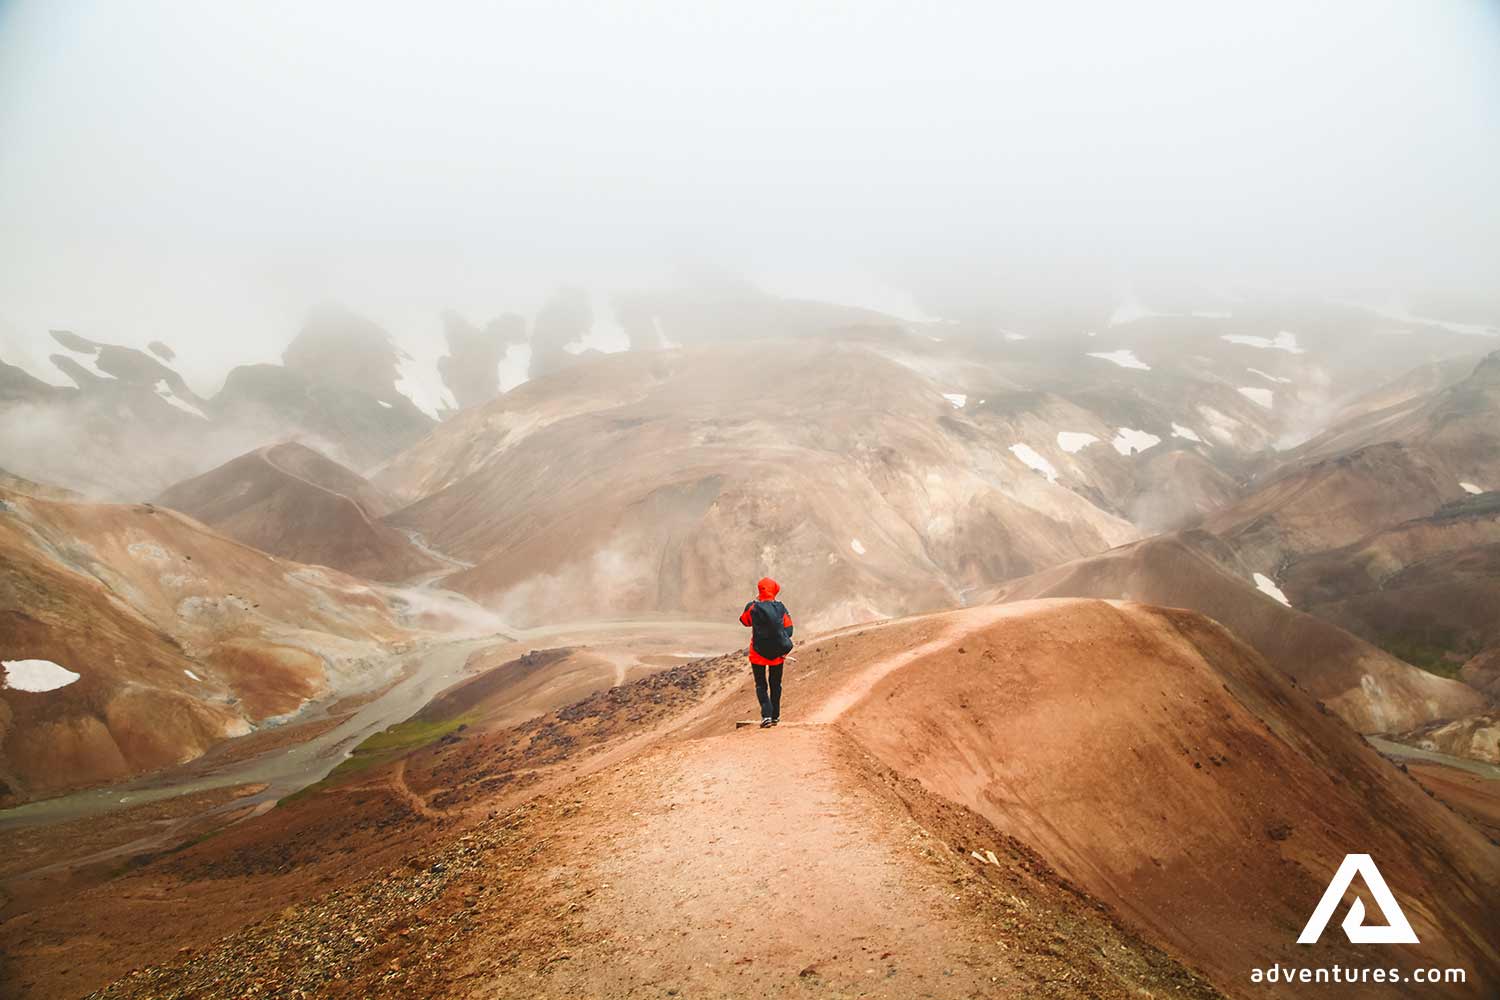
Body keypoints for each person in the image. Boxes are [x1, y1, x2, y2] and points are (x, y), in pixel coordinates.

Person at [739, 576, 793, 728]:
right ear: (775, 589)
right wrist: (778, 638)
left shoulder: (753, 607)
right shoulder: (781, 608)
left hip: (757, 653)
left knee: (761, 685)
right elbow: (789, 630)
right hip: (777, 654)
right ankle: (775, 716)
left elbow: (744, 621)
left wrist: (754, 604)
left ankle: (766, 716)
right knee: (776, 684)